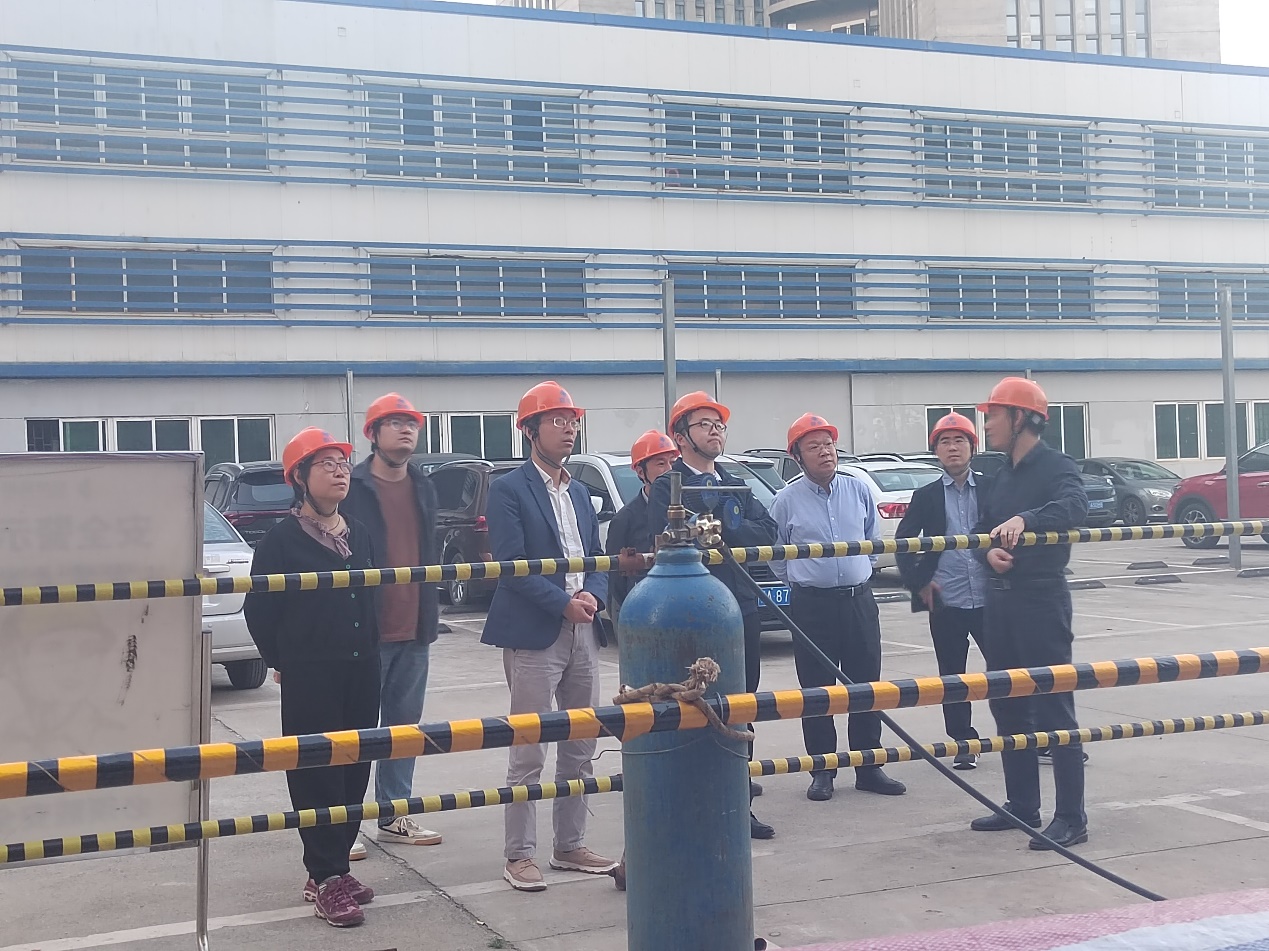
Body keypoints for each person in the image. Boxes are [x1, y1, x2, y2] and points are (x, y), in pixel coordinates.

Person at [480, 381, 617, 892]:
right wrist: (563, 603)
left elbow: (596, 558)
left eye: (573, 421)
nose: (568, 429)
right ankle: (519, 854)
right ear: (529, 430)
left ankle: (570, 844)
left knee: (581, 742)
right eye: (557, 420)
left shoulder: (579, 491)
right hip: (536, 631)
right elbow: (512, 565)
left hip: (584, 628)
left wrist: (594, 596)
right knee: (529, 747)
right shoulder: (509, 489)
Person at [244, 427, 380, 928]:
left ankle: (336, 867)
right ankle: (324, 877)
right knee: (315, 772)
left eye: (342, 464)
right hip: (311, 674)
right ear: (299, 477)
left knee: (355, 768)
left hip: (362, 668)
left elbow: (370, 597)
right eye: (326, 464)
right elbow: (259, 610)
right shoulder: (280, 541)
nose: (339, 472)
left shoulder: (358, 531)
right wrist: (284, 661)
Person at [646, 391, 777, 840]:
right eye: (704, 424)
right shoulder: (669, 487)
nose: (715, 430)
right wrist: (718, 530)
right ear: (681, 437)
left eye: (718, 424)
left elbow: (768, 529)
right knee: (695, 702)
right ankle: (694, 804)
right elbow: (670, 534)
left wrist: (726, 528)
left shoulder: (736, 482)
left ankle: (737, 804)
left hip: (740, 605)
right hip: (693, 612)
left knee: (742, 703)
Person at [968, 378, 1090, 849]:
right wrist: (987, 554)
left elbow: (1075, 506)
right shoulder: (1001, 474)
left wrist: (1028, 519)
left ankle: (1071, 817)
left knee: (1054, 705)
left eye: (994, 415)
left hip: (1041, 600)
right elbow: (982, 529)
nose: (987, 425)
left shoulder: (1057, 466)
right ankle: (1022, 805)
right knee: (1007, 702)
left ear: (1021, 418)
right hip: (1001, 601)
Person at [769, 414, 906, 803]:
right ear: (797, 456)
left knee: (866, 686)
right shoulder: (785, 500)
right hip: (812, 607)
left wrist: (855, 573)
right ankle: (822, 771)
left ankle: (869, 766)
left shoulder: (858, 489)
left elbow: (872, 541)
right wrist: (806, 581)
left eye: (828, 444)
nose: (825, 452)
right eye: (813, 447)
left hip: (859, 601)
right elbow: (777, 556)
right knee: (817, 692)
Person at [341, 393, 443, 852]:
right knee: (355, 730)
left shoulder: (423, 485)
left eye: (411, 423)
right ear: (373, 433)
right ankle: (342, 824)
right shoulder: (353, 486)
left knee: (404, 727)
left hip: (415, 627)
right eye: (395, 422)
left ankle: (394, 814)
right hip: (364, 631)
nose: (406, 430)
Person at [896, 412, 990, 770]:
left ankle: (1024, 736)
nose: (953, 448)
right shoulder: (926, 496)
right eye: (945, 442)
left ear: (972, 447)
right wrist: (918, 582)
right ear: (936, 451)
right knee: (952, 674)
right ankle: (964, 742)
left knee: (1010, 669)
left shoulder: (994, 488)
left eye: (959, 441)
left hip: (991, 596)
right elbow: (903, 542)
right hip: (945, 597)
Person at [604, 430, 679, 628]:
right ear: (640, 472)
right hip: (642, 612)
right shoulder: (625, 519)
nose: (670, 470)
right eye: (661, 464)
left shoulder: (687, 510)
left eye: (672, 462)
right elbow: (615, 580)